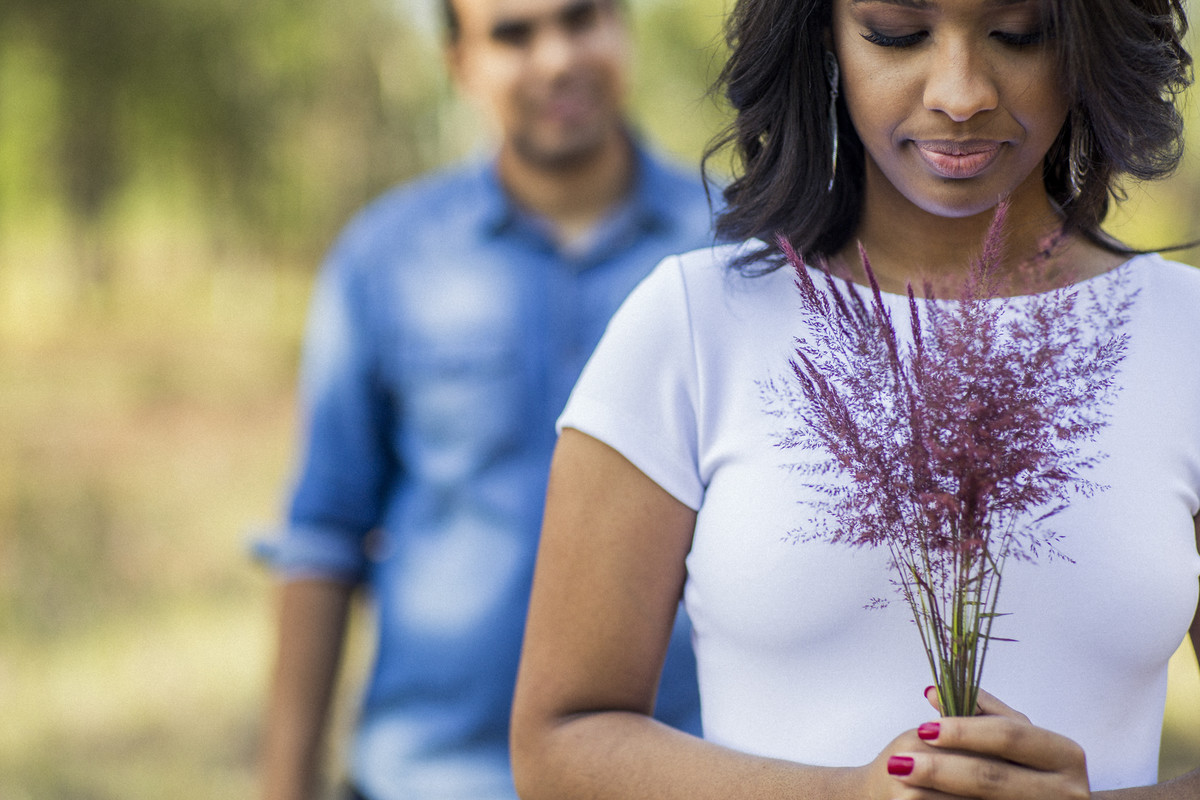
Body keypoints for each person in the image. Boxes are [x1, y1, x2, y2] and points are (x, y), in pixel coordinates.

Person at [510, 0, 1200, 798]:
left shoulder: (1182, 331)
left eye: (1021, 33)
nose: (961, 92)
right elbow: (559, 744)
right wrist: (847, 794)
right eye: (897, 34)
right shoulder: (695, 326)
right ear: (822, 36)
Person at [256, 0, 714, 796]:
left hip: (684, 775)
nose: (557, 59)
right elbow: (322, 535)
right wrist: (285, 782)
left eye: (581, 20)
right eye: (513, 34)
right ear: (459, 64)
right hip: (429, 777)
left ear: (623, 28)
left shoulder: (741, 250)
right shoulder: (385, 259)